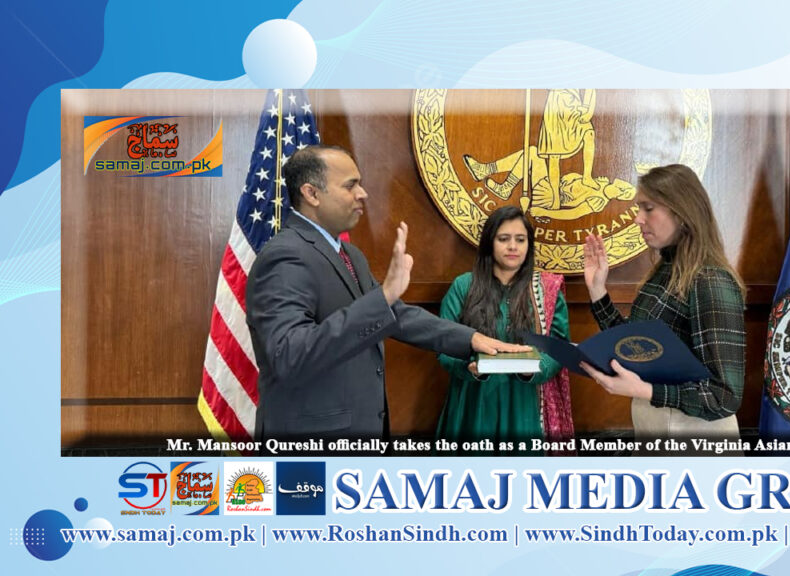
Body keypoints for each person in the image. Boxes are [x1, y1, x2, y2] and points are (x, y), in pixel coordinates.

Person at [246, 145, 529, 443]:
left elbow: (393, 314)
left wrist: (472, 339)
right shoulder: (285, 256)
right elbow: (290, 355)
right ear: (312, 194)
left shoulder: (350, 255)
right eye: (350, 185)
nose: (363, 194)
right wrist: (383, 297)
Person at [581, 164, 746, 441]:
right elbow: (636, 347)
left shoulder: (711, 281)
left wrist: (647, 391)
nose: (638, 219)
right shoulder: (664, 271)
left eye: (648, 208)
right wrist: (597, 289)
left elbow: (724, 397)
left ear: (682, 212)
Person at [436, 206, 573, 451]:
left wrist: (532, 371)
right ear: (490, 243)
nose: (513, 247)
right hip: (473, 403)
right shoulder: (464, 286)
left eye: (520, 240)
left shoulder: (545, 290)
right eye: (504, 239)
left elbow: (558, 348)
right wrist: (469, 368)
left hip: (524, 404)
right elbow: (443, 346)